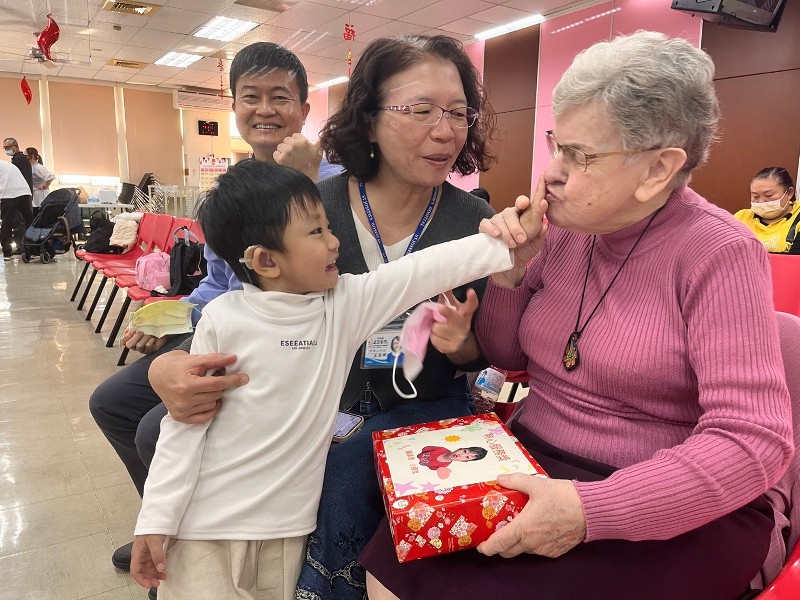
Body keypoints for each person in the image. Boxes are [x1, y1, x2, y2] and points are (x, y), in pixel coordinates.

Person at [360, 31, 794, 600]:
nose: (552, 173)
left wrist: (590, 510)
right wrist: (511, 273)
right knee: (391, 562)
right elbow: (510, 357)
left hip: (667, 494)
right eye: (555, 145)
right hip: (536, 457)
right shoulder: (564, 230)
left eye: (578, 155)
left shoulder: (720, 252)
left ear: (658, 170)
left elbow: (753, 442)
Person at [145, 34, 498, 600]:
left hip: (417, 403)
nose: (445, 129)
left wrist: (461, 348)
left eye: (458, 112)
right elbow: (250, 307)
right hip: (316, 395)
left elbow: (494, 349)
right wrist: (171, 366)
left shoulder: (475, 221)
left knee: (339, 478)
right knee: (169, 437)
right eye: (422, 110)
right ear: (370, 117)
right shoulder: (314, 205)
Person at [88, 41, 342, 591]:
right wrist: (169, 319)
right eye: (250, 97)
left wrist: (309, 181)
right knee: (110, 402)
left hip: (286, 349)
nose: (265, 109)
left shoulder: (335, 180)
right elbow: (215, 283)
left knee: (160, 429)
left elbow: (344, 270)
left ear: (304, 109)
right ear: (234, 107)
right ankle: (162, 523)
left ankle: (182, 533)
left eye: (281, 97)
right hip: (221, 331)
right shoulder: (232, 189)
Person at [735, 167, 798, 253]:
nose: (761, 201)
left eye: (769, 195)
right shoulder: (741, 217)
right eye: (755, 196)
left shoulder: (797, 219)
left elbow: (795, 260)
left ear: (789, 193)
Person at [2, 137, 34, 257]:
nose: (6, 150)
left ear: (15, 146)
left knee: (13, 222)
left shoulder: (18, 160)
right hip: (24, 193)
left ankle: (13, 248)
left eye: (7, 148)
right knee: (27, 222)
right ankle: (31, 247)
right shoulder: (19, 159)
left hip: (13, 195)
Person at [25, 147, 56, 215]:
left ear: (32, 155)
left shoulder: (38, 167)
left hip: (40, 197)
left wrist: (44, 185)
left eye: (26, 155)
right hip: (34, 197)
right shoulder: (31, 166)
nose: (25, 157)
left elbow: (50, 176)